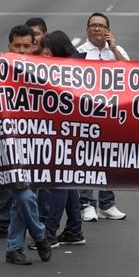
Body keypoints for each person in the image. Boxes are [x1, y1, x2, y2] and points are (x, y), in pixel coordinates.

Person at [28, 31, 85, 250]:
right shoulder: (77, 66)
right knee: (68, 183)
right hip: (72, 133)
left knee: (59, 182)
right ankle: (74, 229)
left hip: (65, 133)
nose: (46, 56)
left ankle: (49, 232)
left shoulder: (68, 71)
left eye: (48, 51)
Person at [4, 25, 52, 265]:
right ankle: (40, 234)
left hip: (36, 148)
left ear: (34, 46)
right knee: (23, 197)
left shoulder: (45, 72)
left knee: (25, 200)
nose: (22, 50)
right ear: (9, 46)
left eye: (27, 45)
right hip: (8, 149)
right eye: (17, 45)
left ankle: (13, 248)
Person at [77, 12, 128, 221]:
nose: (97, 29)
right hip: (87, 114)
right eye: (93, 25)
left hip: (112, 114)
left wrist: (114, 48)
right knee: (88, 159)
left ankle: (107, 204)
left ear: (108, 30)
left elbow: (131, 73)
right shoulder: (79, 52)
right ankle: (86, 204)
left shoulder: (117, 51)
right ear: (87, 29)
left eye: (101, 26)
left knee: (109, 158)